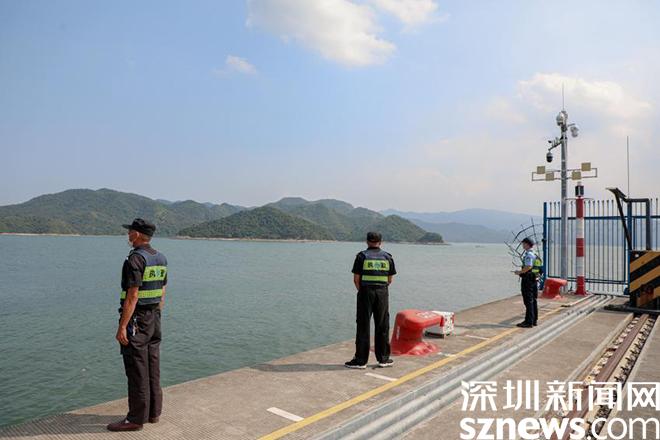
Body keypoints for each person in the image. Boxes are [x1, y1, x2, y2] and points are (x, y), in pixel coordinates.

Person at [107, 218, 168, 432]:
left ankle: (135, 419)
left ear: (138, 235)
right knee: (152, 366)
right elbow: (163, 290)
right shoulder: (160, 258)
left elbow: (132, 296)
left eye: (130, 231)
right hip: (154, 318)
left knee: (136, 369)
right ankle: (153, 413)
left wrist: (122, 326)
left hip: (137, 320)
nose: (128, 234)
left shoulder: (135, 259)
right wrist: (156, 315)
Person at [345, 232, 396, 369]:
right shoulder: (387, 257)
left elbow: (356, 279)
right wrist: (380, 288)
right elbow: (390, 279)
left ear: (367, 241)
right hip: (382, 293)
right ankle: (383, 359)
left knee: (363, 325)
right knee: (382, 325)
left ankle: (361, 360)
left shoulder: (361, 256)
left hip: (365, 292)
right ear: (381, 242)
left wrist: (363, 291)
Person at [514, 237, 542, 328]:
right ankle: (534, 320)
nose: (522, 245)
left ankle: (528, 322)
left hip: (528, 280)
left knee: (528, 301)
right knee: (533, 300)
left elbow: (528, 266)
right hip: (534, 279)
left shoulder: (529, 255)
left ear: (527, 244)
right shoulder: (535, 253)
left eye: (523, 244)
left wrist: (520, 272)